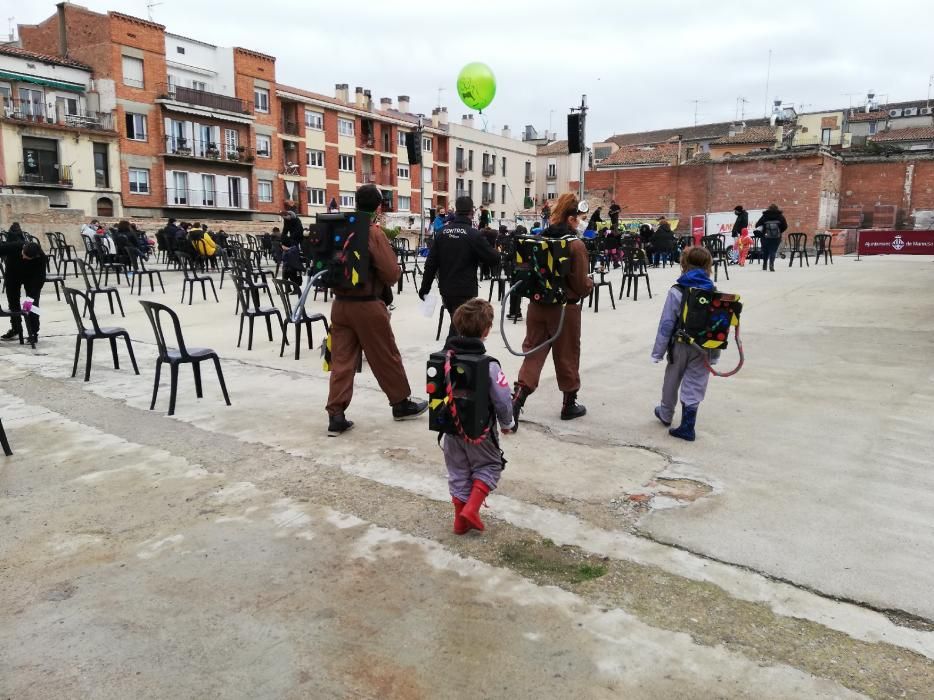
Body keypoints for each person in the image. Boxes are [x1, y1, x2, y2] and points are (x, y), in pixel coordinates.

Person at [326, 184, 427, 435]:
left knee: (341, 361)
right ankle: (401, 403)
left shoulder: (339, 226)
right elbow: (391, 273)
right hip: (367, 305)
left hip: (340, 305)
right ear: (378, 207)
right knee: (385, 355)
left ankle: (336, 414)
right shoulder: (373, 233)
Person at [512, 193, 594, 426]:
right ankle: (569, 404)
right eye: (580, 217)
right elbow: (579, 284)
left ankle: (516, 401)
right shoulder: (575, 245)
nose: (581, 222)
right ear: (571, 218)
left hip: (537, 305)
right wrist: (589, 284)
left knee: (533, 353)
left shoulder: (540, 238)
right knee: (567, 355)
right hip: (564, 310)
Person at [440, 299, 514, 534]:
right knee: (490, 465)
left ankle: (459, 522)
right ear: (486, 330)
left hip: (451, 430)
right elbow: (502, 398)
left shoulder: (444, 360)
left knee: (458, 471)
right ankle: (471, 509)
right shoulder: (489, 366)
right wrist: (507, 423)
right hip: (480, 432)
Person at [651, 246, 718, 441]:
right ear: (708, 266)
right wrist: (714, 355)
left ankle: (665, 413)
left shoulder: (677, 290)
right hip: (703, 347)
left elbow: (666, 324)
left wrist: (658, 352)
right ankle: (688, 425)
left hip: (679, 344)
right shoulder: (712, 291)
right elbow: (717, 324)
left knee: (672, 379)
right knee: (696, 382)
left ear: (683, 264)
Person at [418, 195, 499, 338]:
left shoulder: (443, 233)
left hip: (447, 290)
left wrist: (425, 288)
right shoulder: (473, 234)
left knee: (458, 325)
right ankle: (449, 354)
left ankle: (453, 354)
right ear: (471, 212)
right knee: (460, 329)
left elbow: (430, 264)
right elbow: (493, 259)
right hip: (466, 290)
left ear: (455, 211)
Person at [1, 234, 46, 345]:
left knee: (32, 305)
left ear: (35, 257)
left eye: (27, 258)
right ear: (23, 249)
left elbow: (39, 280)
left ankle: (33, 333)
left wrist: (29, 301)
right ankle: (16, 329)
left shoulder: (41, 258)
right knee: (13, 302)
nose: (23, 258)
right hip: (12, 275)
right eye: (23, 254)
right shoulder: (15, 246)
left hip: (31, 279)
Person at [755, 204, 788, 272]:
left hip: (765, 237)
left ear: (769, 209)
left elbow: (757, 225)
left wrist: (763, 230)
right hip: (776, 238)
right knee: (773, 251)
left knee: (765, 251)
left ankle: (764, 265)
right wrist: (779, 231)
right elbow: (785, 226)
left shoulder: (765, 215)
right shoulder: (780, 216)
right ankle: (771, 265)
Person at [280, 211, 305, 287]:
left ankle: (294, 285)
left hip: (297, 239)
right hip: (290, 242)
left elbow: (299, 231)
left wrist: (290, 239)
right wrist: (283, 239)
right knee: (286, 267)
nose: (285, 219)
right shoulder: (286, 221)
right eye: (284, 218)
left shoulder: (296, 220)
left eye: (286, 217)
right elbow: (285, 230)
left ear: (289, 215)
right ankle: (287, 287)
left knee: (291, 265)